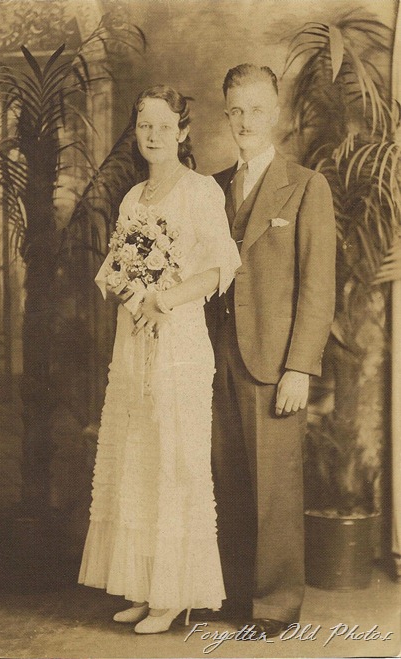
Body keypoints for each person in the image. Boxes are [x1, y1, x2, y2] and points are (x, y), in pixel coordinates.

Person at [78, 85, 241, 635]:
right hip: (134, 339)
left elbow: (218, 270)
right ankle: (146, 588)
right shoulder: (132, 198)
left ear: (182, 132)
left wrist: (162, 300)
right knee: (139, 459)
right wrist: (130, 293)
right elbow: (115, 268)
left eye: (164, 126)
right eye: (144, 126)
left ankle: (173, 597)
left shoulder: (200, 191)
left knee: (176, 462)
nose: (153, 135)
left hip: (178, 340)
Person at [210, 64, 336, 636]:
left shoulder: (306, 186)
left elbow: (318, 286)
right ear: (226, 114)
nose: (245, 121)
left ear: (275, 114)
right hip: (216, 358)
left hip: (273, 361)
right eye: (236, 110)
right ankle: (233, 594)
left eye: (256, 110)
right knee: (227, 480)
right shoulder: (213, 187)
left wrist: (299, 367)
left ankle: (275, 606)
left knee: (274, 489)